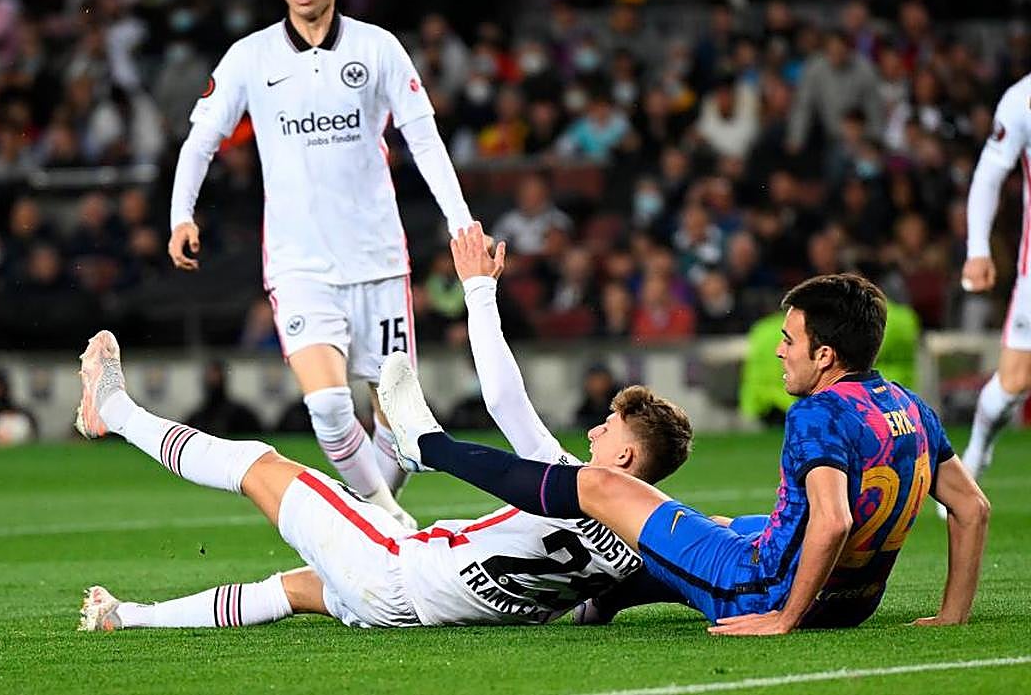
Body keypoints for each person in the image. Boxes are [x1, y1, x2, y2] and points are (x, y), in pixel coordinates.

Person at [71, 224, 692, 632]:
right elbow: (603, 601)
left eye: (609, 429)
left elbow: (504, 397)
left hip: (395, 569)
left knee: (261, 467)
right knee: (296, 588)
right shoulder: (641, 546)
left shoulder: (570, 481)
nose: (593, 435)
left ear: (629, 459)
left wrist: (478, 289)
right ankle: (126, 616)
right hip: (415, 613)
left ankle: (115, 412)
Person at [379, 272, 990, 635]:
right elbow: (973, 508)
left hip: (765, 591)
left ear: (825, 355)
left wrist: (784, 619)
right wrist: (952, 617)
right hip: (854, 604)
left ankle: (426, 445)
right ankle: (608, 596)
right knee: (715, 527)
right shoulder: (910, 405)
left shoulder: (817, 412)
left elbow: (833, 520)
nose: (780, 351)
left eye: (789, 340)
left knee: (600, 489)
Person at [166, 0, 477, 527]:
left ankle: (377, 520)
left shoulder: (379, 48)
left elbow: (423, 137)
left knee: (402, 431)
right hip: (300, 266)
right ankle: (389, 522)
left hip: (379, 262)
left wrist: (461, 221)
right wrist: (181, 215)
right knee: (329, 410)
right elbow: (200, 139)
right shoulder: (251, 58)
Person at [957, 73, 1031, 486]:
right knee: (1015, 381)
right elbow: (989, 174)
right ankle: (978, 446)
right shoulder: (1022, 99)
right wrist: (978, 250)